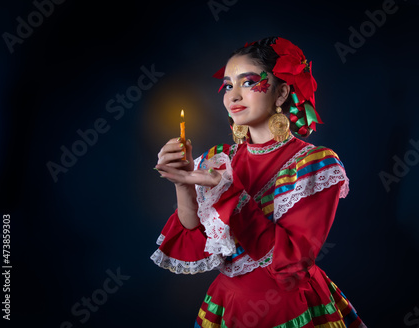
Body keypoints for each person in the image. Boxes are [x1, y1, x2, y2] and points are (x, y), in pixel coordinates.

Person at [152, 37, 366, 328]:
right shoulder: (219, 158)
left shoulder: (315, 163)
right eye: (228, 85)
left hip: (287, 307)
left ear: (281, 94)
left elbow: (292, 265)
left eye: (248, 82)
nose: (233, 96)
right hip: (228, 303)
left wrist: (226, 190)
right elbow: (197, 237)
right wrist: (183, 182)